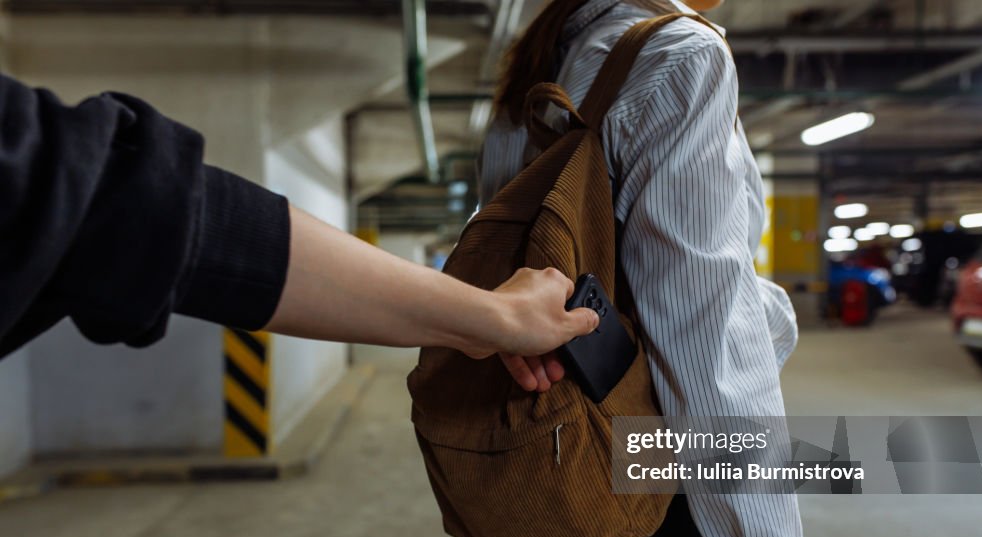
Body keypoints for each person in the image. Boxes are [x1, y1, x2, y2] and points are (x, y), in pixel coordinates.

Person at [479, 1, 814, 537]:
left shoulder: (537, 70)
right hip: (655, 510)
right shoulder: (681, 56)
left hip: (546, 488)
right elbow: (706, 350)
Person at [0, 73, 597, 392]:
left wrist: (481, 320)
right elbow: (122, 201)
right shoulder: (682, 64)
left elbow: (116, 199)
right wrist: (682, 459)